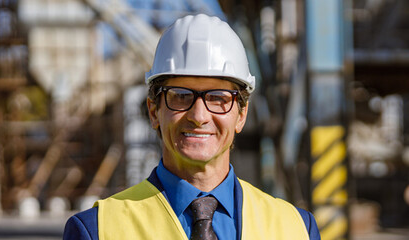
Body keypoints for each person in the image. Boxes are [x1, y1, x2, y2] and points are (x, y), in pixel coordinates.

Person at [63, 14, 320, 240]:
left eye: (218, 98)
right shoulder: (96, 231)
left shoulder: (297, 229)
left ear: (241, 115)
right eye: (180, 96)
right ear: (154, 112)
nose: (199, 115)